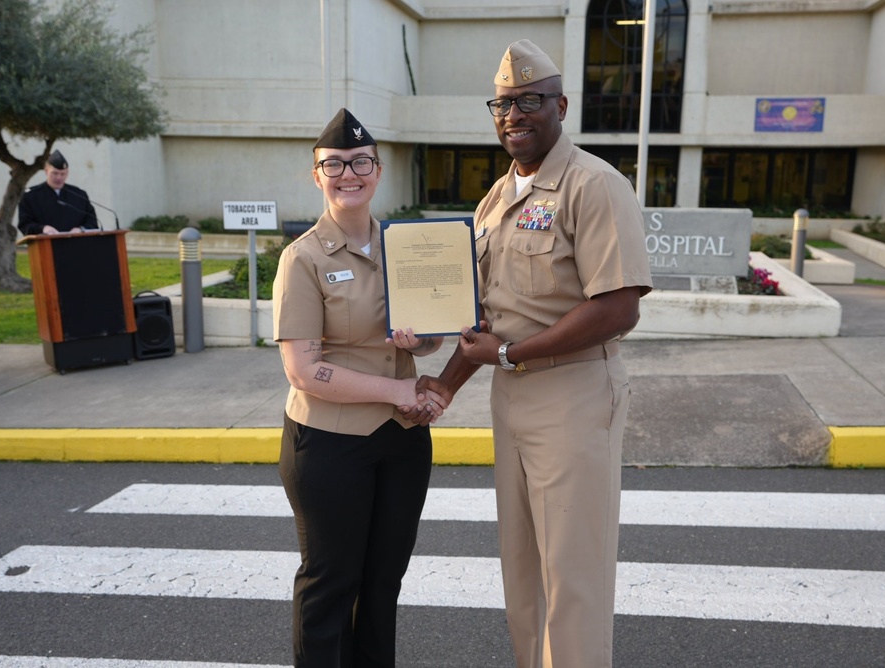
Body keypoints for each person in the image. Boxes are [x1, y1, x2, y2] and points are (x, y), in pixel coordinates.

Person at [407, 40, 653, 668]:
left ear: (561, 105)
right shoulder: (493, 201)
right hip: (510, 397)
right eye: (503, 104)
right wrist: (444, 385)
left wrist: (511, 353)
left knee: (573, 576)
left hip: (573, 395)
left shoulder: (593, 185)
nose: (513, 114)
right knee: (522, 570)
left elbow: (618, 308)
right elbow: (483, 318)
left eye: (529, 101)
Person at [271, 107, 447, 668]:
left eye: (361, 162)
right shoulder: (301, 259)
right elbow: (302, 369)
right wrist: (397, 392)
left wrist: (419, 344)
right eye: (335, 165)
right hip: (328, 444)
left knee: (382, 584)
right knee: (330, 585)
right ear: (317, 174)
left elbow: (428, 341)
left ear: (378, 169)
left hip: (401, 442)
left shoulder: (406, 246)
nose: (350, 173)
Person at [17, 150, 98, 236]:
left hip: (77, 244)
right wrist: (43, 228)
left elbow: (92, 223)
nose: (59, 178)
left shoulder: (79, 195)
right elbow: (25, 225)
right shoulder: (31, 196)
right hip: (45, 246)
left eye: (63, 174)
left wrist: (81, 229)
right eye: (55, 173)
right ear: (46, 171)